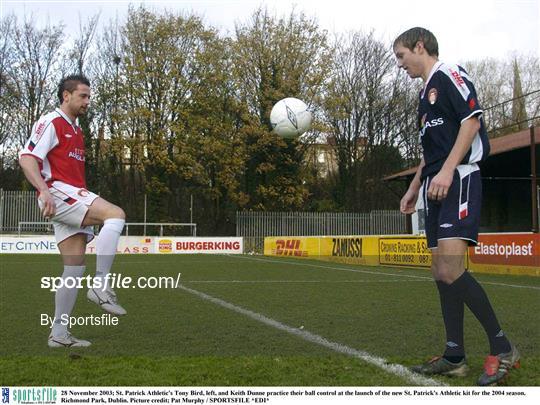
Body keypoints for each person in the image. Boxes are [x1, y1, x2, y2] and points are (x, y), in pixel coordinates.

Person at [393, 28, 520, 386]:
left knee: (450, 269)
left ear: (420, 46)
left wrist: (448, 171)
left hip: (459, 179)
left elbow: (471, 121)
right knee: (440, 272)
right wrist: (415, 186)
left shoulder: (449, 74)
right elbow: (430, 151)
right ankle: (454, 355)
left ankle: (503, 347)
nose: (400, 65)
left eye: (402, 56)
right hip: (434, 186)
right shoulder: (423, 96)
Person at [19, 74, 127, 348]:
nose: (87, 101)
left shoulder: (76, 129)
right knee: (115, 214)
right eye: (83, 96)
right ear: (66, 95)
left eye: (89, 96)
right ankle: (100, 285)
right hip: (57, 192)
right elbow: (27, 157)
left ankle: (58, 334)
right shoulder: (51, 122)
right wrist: (43, 190)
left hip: (67, 196)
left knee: (74, 268)